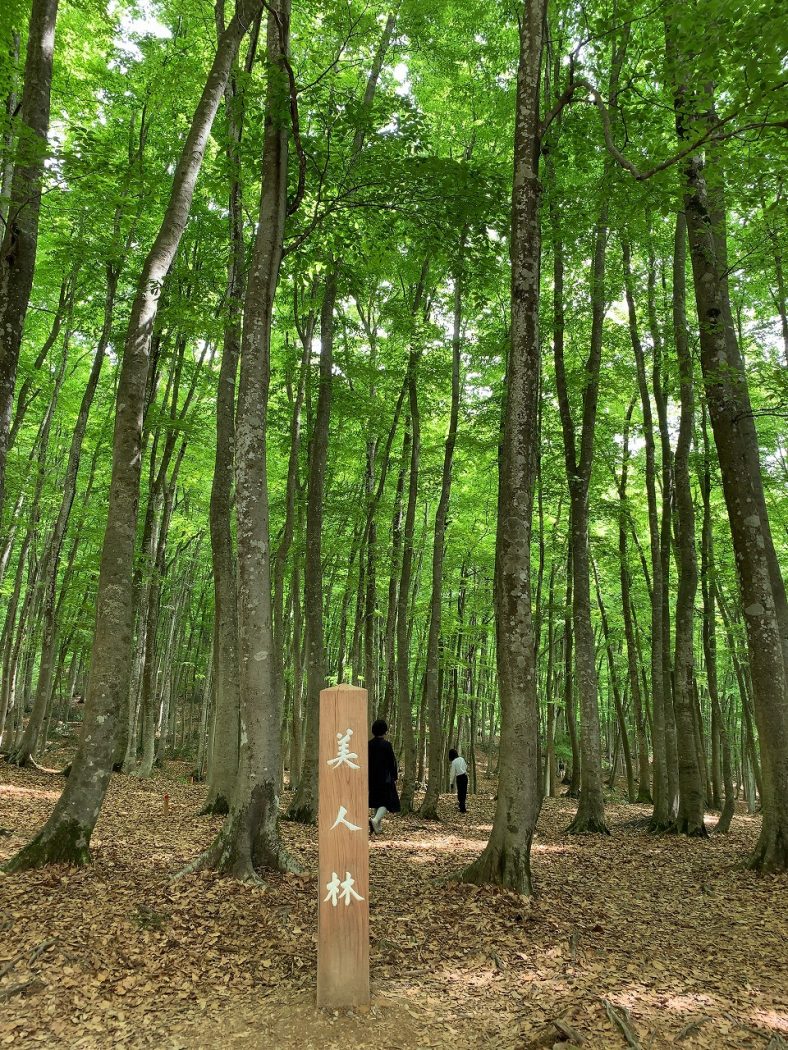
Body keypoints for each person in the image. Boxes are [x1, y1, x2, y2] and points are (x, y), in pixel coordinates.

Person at [368, 719, 400, 834]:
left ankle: (377, 827)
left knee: (377, 801)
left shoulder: (369, 744)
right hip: (385, 778)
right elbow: (392, 762)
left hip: (371, 778)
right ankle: (375, 820)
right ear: (384, 731)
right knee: (387, 802)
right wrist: (394, 776)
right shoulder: (387, 745)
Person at [448, 747, 468, 813]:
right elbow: (466, 766)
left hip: (459, 778)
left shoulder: (454, 762)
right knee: (464, 792)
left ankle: (462, 808)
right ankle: (462, 806)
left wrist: (451, 782)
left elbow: (452, 773)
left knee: (460, 792)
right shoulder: (462, 759)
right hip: (465, 776)